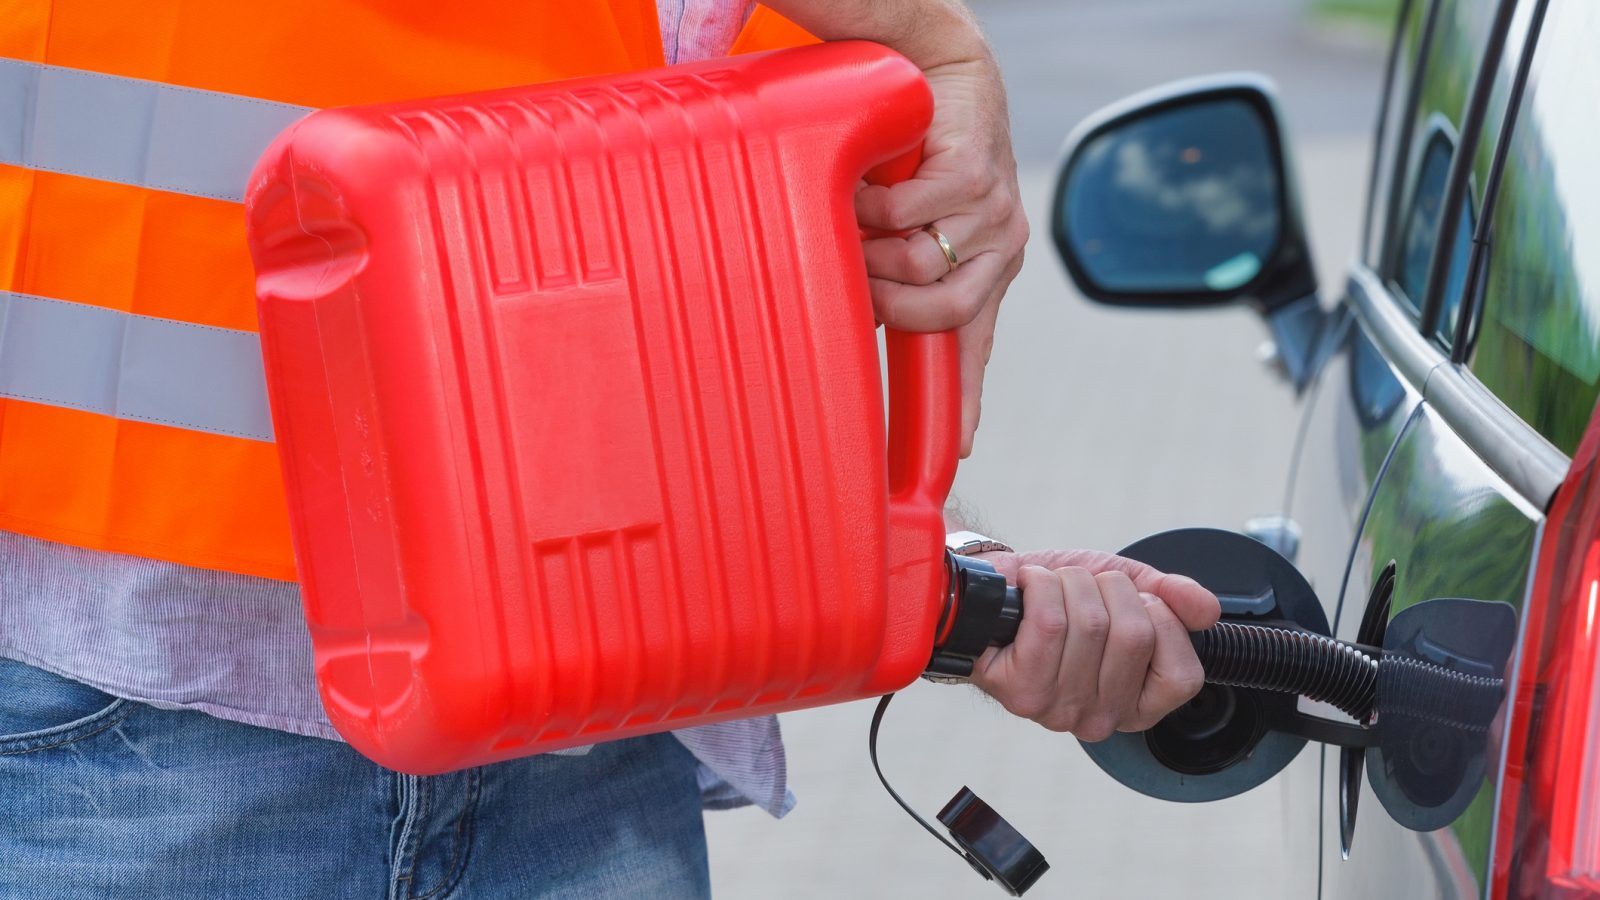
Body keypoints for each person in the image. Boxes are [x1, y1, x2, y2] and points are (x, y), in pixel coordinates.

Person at [0, 1, 1219, 896]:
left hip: (588, 737)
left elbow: (637, 313)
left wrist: (932, 566)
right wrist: (925, 35)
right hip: (140, 725)